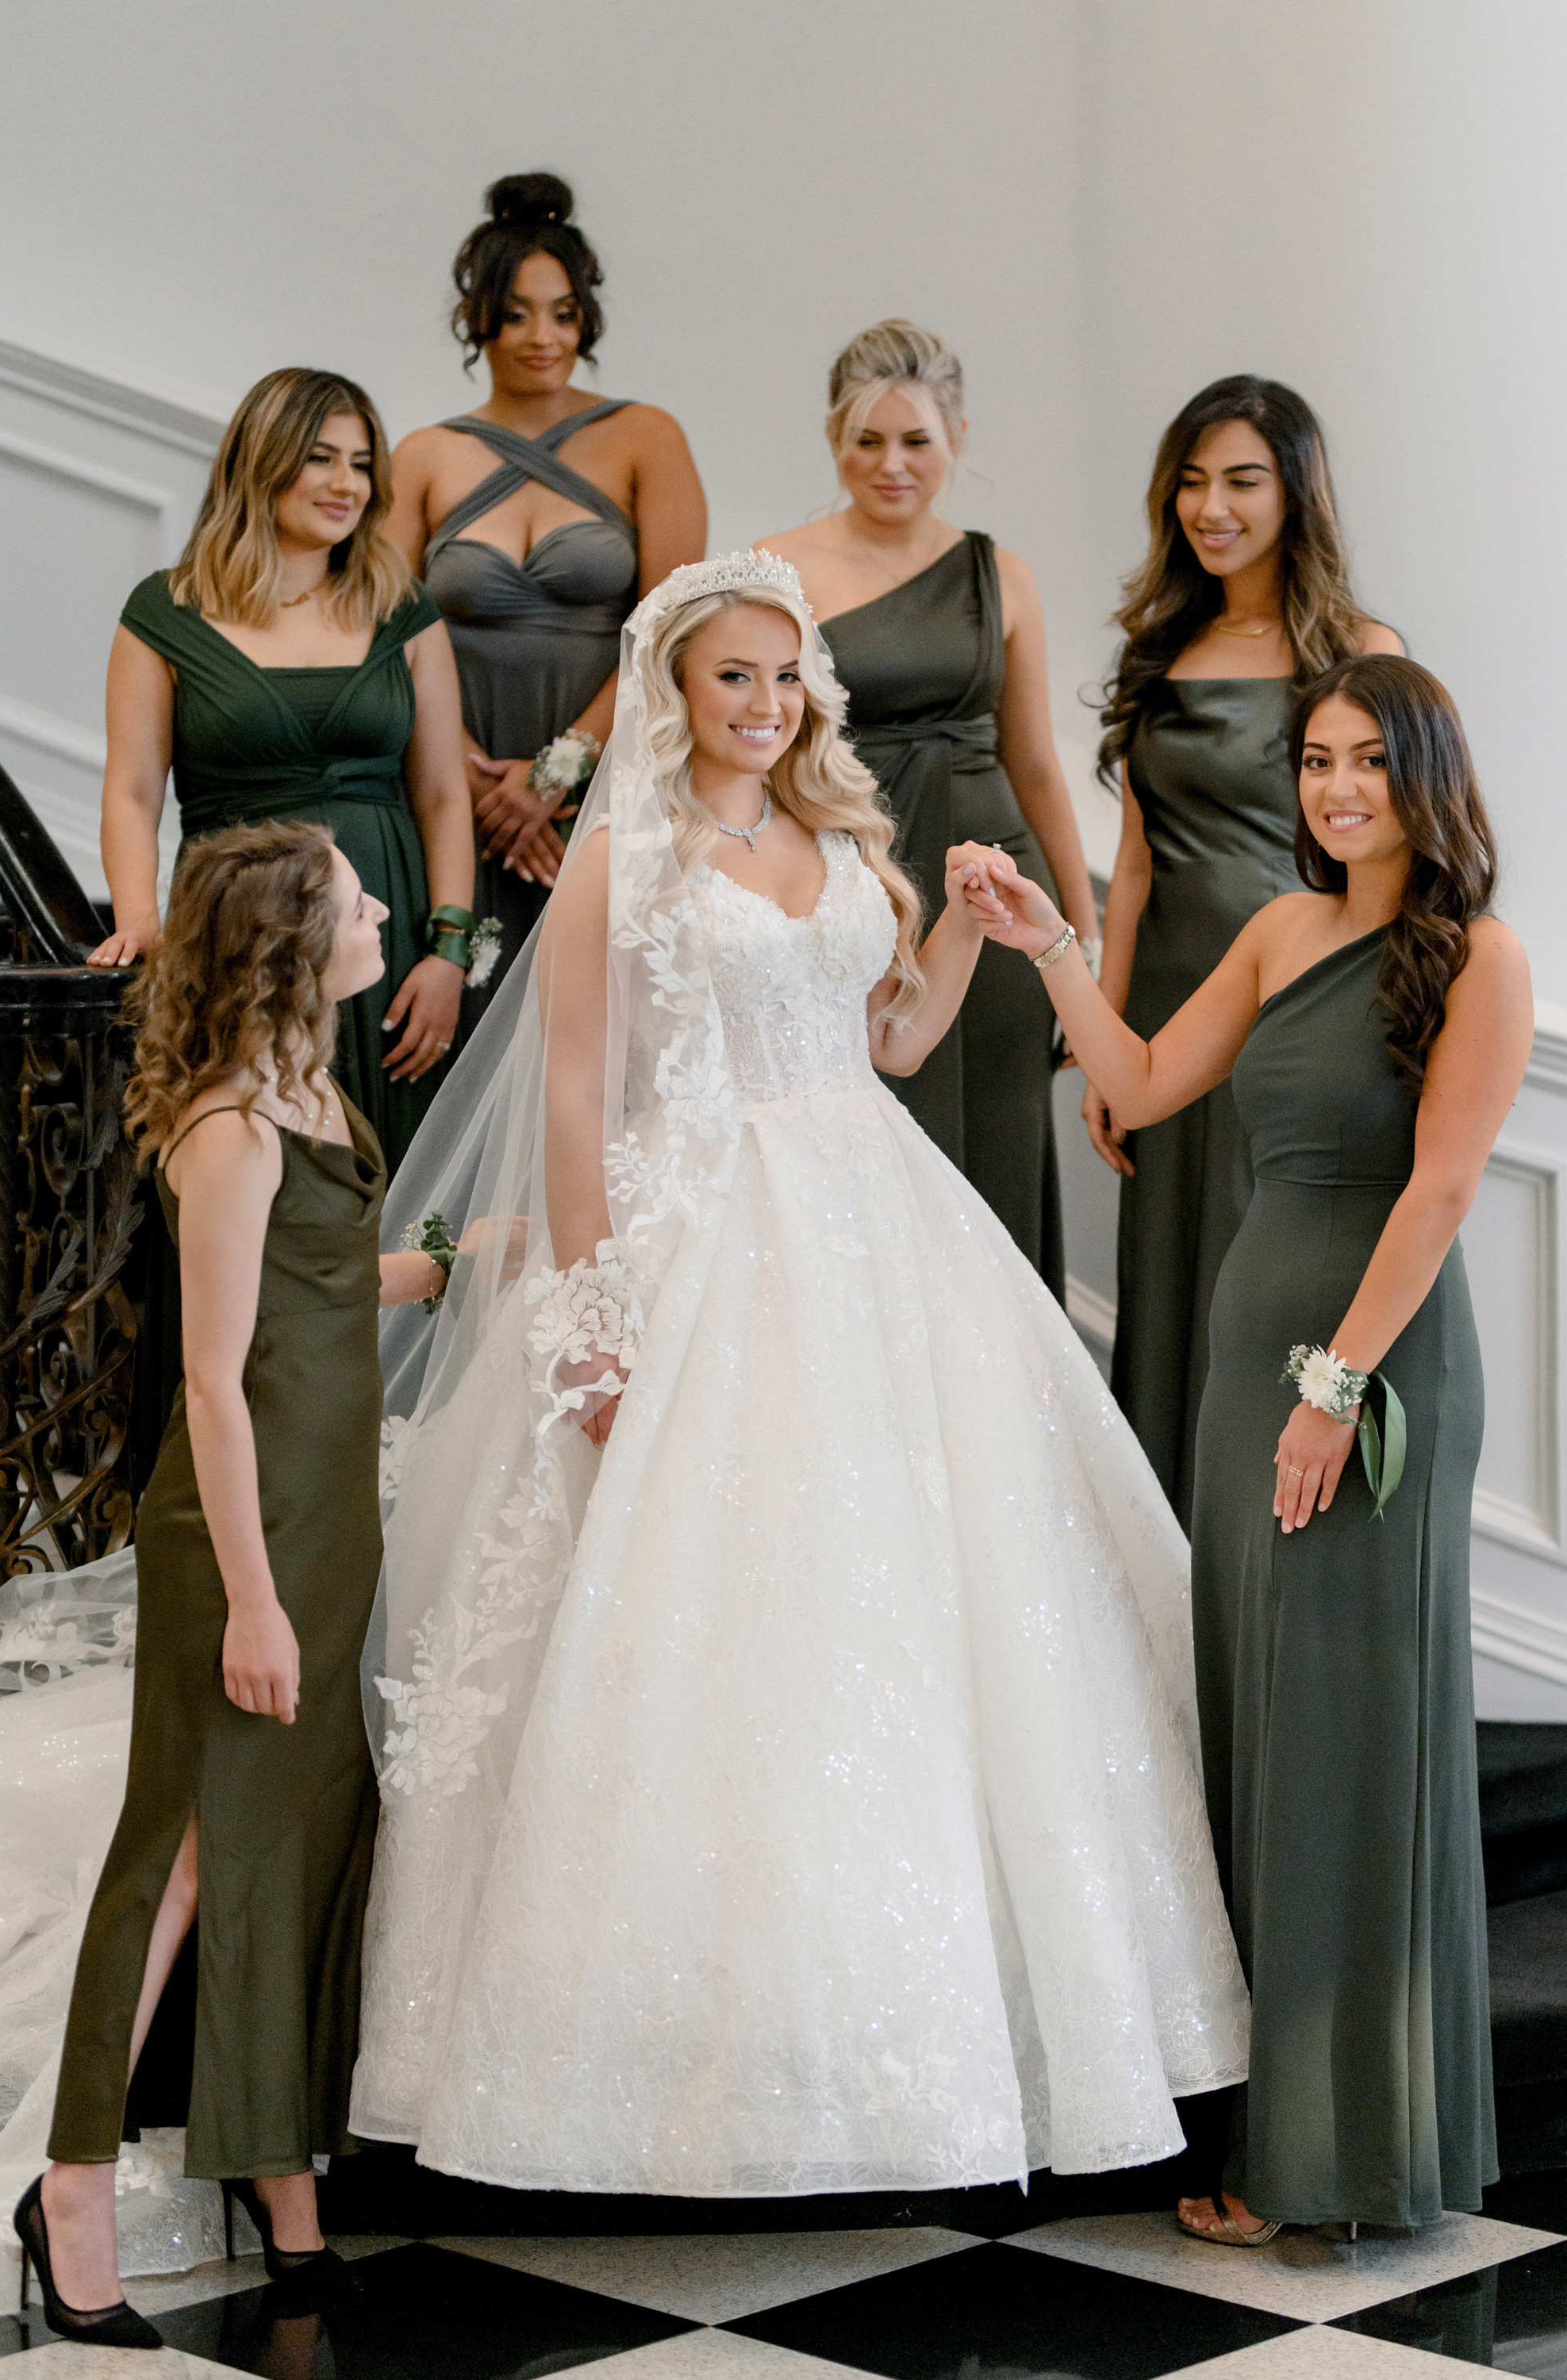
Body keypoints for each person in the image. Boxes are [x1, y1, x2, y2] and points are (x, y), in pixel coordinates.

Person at [349, 551, 1248, 2197]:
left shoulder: (844, 843)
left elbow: (890, 1041)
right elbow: (570, 1102)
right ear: (672, 695)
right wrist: (597, 1313)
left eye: (784, 679)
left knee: (931, 1595)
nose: (764, 708)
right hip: (696, 1233)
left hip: (874, 1225)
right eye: (731, 680)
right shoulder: (624, 861)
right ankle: (687, 2058)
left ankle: (946, 2038)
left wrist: (977, 939)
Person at [965, 654, 1530, 2233]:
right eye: (1317, 764)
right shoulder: (1284, 928)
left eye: (1367, 763)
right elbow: (1141, 1083)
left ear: (1426, 775)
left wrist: (1333, 1391)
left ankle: (1351, 2156)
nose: (1336, 791)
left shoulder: (1479, 958)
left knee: (1350, 1747)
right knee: (1261, 1733)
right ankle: (1277, 2135)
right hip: (1240, 1368)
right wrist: (1048, 949)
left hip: (1370, 1366)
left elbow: (1434, 1196)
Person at [17, 822, 451, 2347]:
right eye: (355, 898)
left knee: (300, 1844)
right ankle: (69, 2180)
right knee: (191, 1852)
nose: (384, 906)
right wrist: (254, 1605)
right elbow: (212, 1385)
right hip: (243, 1540)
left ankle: (282, 2178)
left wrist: (455, 1258)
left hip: (330, 1527)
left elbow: (322, 1295)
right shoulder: (227, 1129)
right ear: (290, 939)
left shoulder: (315, 1090)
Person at [1089, 377, 1400, 1525]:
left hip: (1303, 1007)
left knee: (1269, 1268)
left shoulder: (1359, 650)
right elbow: (1133, 863)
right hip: (1172, 1007)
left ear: (1296, 492)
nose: (1210, 507)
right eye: (1192, 480)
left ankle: (1270, 1540)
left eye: (1242, 481)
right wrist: (1113, 1030)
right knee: (1170, 1280)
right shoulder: (1159, 645)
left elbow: (1400, 853)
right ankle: (1172, 1577)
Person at [759, 321, 1097, 1296]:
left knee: (994, 1142)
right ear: (835, 442)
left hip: (992, 892)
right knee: (860, 1139)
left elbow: (1036, 765)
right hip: (848, 881)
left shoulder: (1004, 575)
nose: (892, 464)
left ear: (956, 438)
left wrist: (1076, 938)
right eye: (868, 440)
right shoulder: (775, 570)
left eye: (916, 440)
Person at [88, 367, 478, 1176]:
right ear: (260, 461)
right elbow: (131, 791)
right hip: (237, 931)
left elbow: (442, 794)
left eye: (362, 463)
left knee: (388, 1175)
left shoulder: (403, 610)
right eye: (321, 458)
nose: (346, 484)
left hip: (381, 928)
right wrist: (140, 925)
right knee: (240, 1165)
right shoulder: (164, 613)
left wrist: (448, 950)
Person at [387, 171, 707, 1001]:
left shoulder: (645, 437)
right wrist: (461, 767)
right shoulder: (423, 455)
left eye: (563, 314)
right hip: (457, 785)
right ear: (477, 317)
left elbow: (671, 630)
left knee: (599, 1011)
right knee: (469, 1004)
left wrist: (560, 774)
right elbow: (378, 629)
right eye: (520, 313)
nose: (543, 336)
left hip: (611, 772)